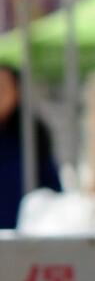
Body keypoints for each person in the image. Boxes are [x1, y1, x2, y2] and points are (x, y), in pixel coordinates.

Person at [0, 65, 61, 228]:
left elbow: (53, 188)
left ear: (17, 92)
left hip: (24, 236)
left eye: (3, 88)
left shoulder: (32, 134)